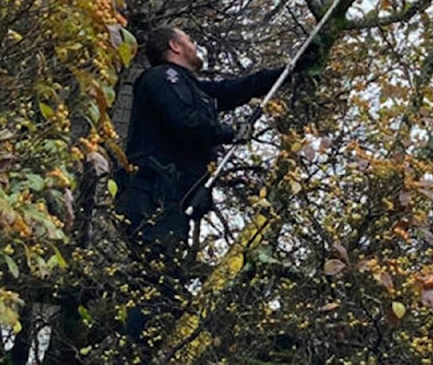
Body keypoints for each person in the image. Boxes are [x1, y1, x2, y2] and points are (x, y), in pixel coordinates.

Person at [115, 25, 316, 345]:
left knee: (164, 282)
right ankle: (134, 350)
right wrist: (229, 131)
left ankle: (149, 346)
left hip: (171, 199)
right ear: (174, 46)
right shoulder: (161, 78)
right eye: (189, 41)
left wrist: (291, 68)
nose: (195, 46)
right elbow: (183, 121)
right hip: (151, 194)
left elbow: (238, 88)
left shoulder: (195, 89)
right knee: (154, 281)